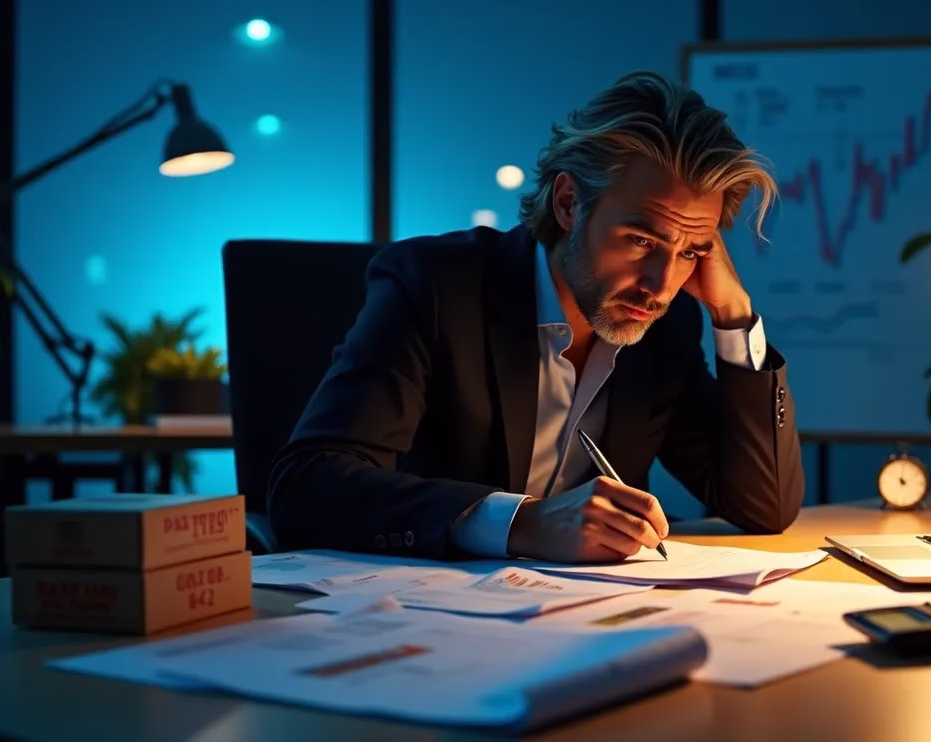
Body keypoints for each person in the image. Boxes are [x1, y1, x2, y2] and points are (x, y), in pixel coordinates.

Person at [268, 71, 805, 563]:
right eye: (641, 240)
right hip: (419, 622)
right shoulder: (435, 284)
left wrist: (734, 318)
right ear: (569, 203)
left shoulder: (665, 326)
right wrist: (521, 523)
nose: (662, 285)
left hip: (588, 622)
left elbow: (763, 507)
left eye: (691, 250)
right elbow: (307, 488)